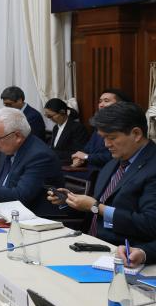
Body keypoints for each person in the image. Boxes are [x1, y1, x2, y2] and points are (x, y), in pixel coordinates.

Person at [48, 102, 156, 265]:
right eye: (103, 138)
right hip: (88, 246)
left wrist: (96, 207)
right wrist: (69, 202)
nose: (106, 145)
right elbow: (95, 209)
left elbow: (149, 224)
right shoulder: (114, 162)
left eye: (111, 138)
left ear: (136, 133)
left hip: (124, 256)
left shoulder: (152, 166)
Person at [71, 88, 132, 170]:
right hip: (90, 170)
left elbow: (114, 156)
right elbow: (88, 148)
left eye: (106, 101)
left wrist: (86, 157)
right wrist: (79, 157)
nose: (101, 105)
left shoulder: (124, 125)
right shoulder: (99, 125)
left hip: (111, 172)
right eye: (100, 101)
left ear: (120, 104)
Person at [42, 98, 90, 164]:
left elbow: (78, 152)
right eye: (47, 116)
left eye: (51, 116)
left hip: (68, 164)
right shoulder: (55, 128)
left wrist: (53, 152)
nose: (49, 119)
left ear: (62, 112)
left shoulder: (77, 128)